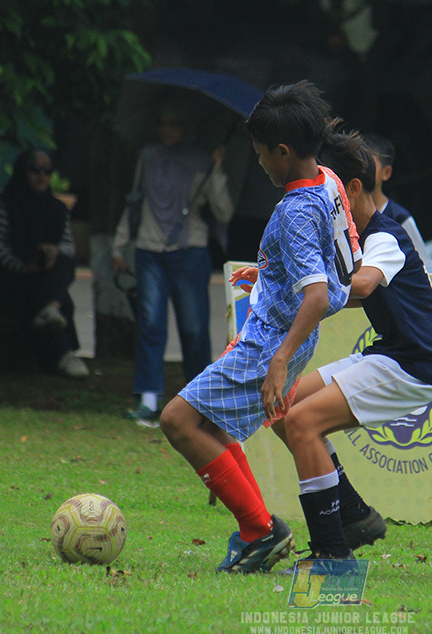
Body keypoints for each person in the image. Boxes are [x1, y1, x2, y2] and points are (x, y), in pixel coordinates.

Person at [159, 82, 359, 574]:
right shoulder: (328, 180)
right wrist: (269, 272)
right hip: (283, 334)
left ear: (284, 152)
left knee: (178, 421)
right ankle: (261, 530)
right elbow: (334, 264)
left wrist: (278, 359)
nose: (261, 163)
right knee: (212, 424)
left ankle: (260, 531)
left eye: (262, 155)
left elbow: (316, 295)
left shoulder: (294, 210)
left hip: (270, 342)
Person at [255, 129, 432, 561]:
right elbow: (342, 292)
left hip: (415, 365)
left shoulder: (386, 236)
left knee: (303, 422)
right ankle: (354, 514)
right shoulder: (348, 237)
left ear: (353, 189)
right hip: (388, 353)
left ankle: (331, 552)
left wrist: (311, 284)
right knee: (283, 407)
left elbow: (362, 284)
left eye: (329, 188)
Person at [112, 102, 234, 426]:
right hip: (149, 250)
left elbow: (223, 212)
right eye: (163, 122)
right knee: (150, 325)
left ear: (188, 127)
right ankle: (149, 402)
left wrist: (217, 170)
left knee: (194, 329)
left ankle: (199, 403)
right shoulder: (148, 156)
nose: (169, 130)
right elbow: (136, 201)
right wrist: (119, 244)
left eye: (176, 123)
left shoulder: (202, 161)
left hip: (190, 252)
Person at [0, 149, 88, 379]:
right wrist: (24, 266)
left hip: (46, 275)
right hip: (12, 274)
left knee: (59, 266)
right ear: (23, 172)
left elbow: (69, 246)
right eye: (35, 170)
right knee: (55, 297)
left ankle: (50, 310)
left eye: (47, 171)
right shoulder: (5, 203)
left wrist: (53, 252)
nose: (41, 176)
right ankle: (64, 354)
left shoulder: (56, 208)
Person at [362, 133, 432, 271]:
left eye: (369, 165)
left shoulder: (400, 218)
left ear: (386, 172)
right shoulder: (346, 214)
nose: (362, 171)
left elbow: (423, 267)